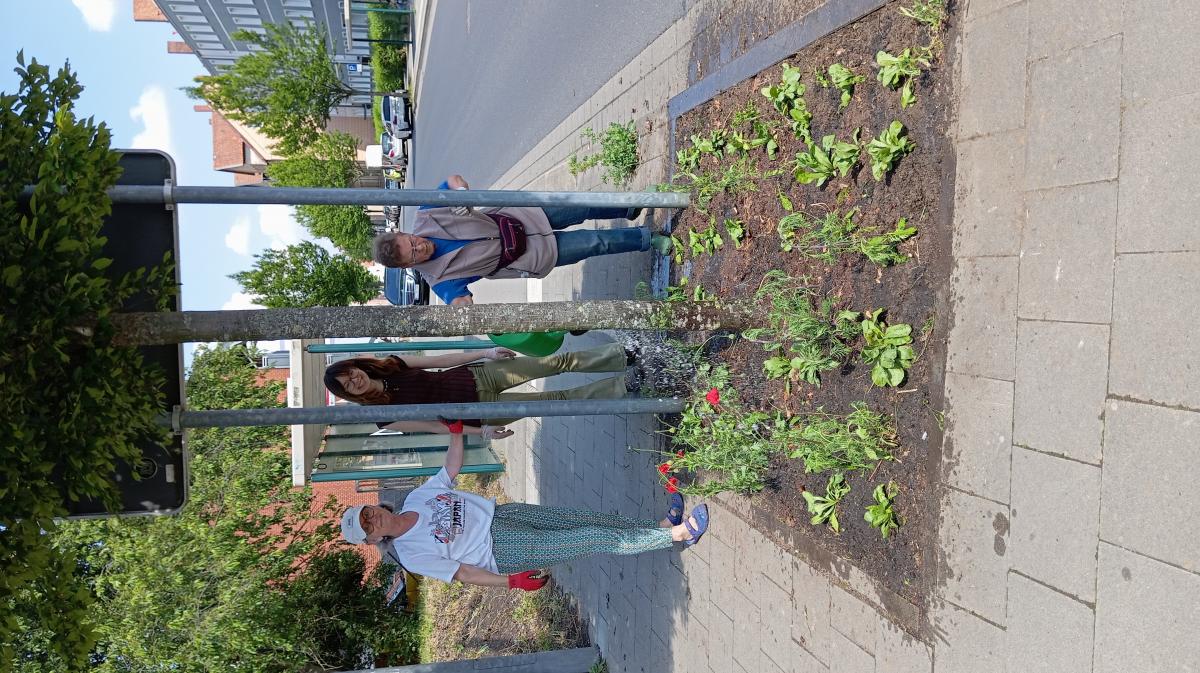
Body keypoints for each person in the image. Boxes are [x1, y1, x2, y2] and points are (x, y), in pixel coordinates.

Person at [340, 419, 709, 589]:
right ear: (373, 542)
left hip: (504, 514)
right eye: (367, 527)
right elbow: (464, 574)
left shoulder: (415, 498)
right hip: (501, 549)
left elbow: (450, 469)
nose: (372, 520)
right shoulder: (412, 554)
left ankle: (658, 528)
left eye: (366, 513)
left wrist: (455, 432)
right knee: (590, 538)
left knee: (584, 518)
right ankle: (677, 534)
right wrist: (510, 582)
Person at [372, 174, 672, 306]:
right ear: (409, 265)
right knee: (595, 243)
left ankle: (630, 206)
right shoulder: (439, 280)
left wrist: (461, 193)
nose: (419, 247)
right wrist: (463, 310)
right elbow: (459, 302)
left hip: (519, 215)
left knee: (580, 206)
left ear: (405, 232)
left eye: (411, 241)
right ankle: (648, 238)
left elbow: (452, 180)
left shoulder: (426, 215)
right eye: (413, 254)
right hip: (529, 255)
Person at [323, 342, 635, 434]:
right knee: (555, 399)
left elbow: (441, 358)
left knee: (555, 362)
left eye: (350, 373)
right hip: (480, 414)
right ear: (349, 394)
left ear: (354, 366)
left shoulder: (390, 363)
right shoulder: (382, 415)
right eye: (348, 385)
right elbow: (435, 428)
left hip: (475, 377)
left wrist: (484, 353)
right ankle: (625, 387)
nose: (355, 380)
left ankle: (623, 355)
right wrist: (480, 433)